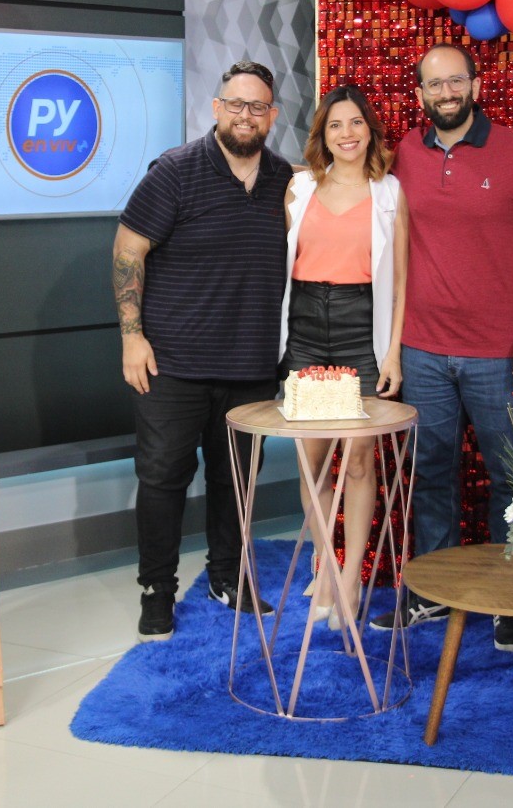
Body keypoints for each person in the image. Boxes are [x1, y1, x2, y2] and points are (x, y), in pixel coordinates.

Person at [370, 43, 513, 653]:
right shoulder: (402, 152)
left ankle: (511, 595)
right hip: (422, 348)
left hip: (501, 352)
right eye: (434, 85)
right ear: (420, 95)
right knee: (430, 474)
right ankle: (432, 590)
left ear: (474, 86)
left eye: (456, 81)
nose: (446, 93)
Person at [113, 60, 291, 642]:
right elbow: (128, 250)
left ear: (273, 115)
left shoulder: (285, 180)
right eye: (236, 104)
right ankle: (156, 591)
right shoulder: (176, 172)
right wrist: (131, 336)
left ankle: (228, 577)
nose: (246, 115)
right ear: (216, 109)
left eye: (257, 106)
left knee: (235, 482)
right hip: (172, 365)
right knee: (163, 478)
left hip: (250, 368)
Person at [280, 84, 408, 631]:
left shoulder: (390, 193)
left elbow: (400, 282)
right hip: (306, 329)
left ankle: (351, 575)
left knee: (358, 461)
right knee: (310, 465)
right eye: (336, 125)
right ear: (323, 135)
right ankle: (326, 568)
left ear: (370, 131)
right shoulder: (299, 188)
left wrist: (393, 353)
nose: (347, 133)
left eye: (356, 122)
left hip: (362, 330)